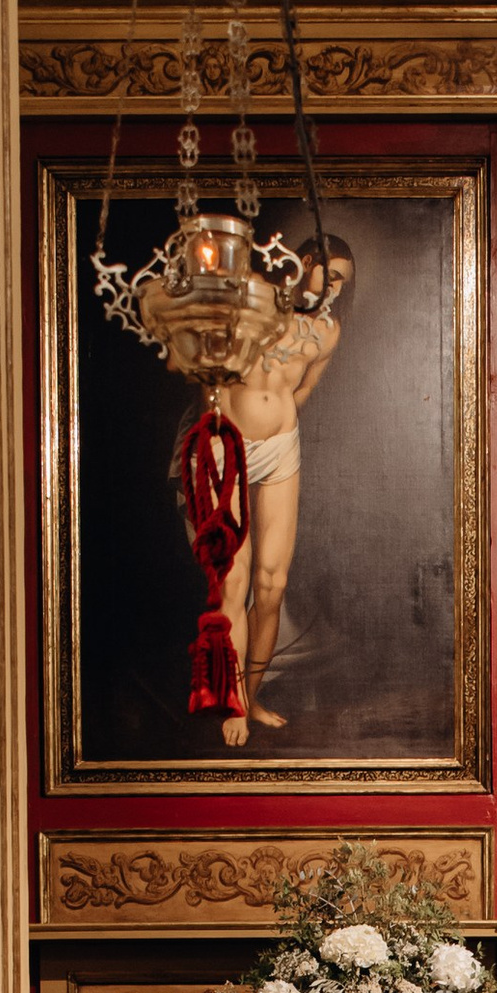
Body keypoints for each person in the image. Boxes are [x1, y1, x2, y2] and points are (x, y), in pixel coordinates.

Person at [199, 238, 353, 748]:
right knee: (235, 580)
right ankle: (234, 705)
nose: (334, 289)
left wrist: (277, 422)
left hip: (282, 448)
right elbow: (208, 361)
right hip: (228, 447)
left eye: (342, 283)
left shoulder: (328, 333)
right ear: (303, 263)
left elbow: (303, 388)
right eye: (328, 275)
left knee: (272, 583)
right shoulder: (257, 301)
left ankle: (253, 695)